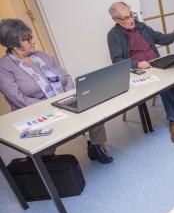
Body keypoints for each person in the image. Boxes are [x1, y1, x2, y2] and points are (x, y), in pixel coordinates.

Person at [0, 19, 113, 164]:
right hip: (34, 110)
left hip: (61, 100)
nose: (33, 42)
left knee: (92, 110)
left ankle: (96, 147)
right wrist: (51, 105)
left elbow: (65, 76)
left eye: (31, 37)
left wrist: (66, 96)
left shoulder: (41, 55)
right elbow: (17, 98)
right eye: (27, 40)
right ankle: (44, 160)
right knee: (47, 147)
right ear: (14, 45)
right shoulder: (4, 67)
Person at [107, 1, 174, 143]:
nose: (131, 20)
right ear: (116, 20)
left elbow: (160, 38)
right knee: (165, 83)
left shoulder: (140, 26)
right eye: (126, 18)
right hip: (138, 72)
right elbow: (117, 61)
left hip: (156, 64)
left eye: (131, 15)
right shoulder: (113, 35)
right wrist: (137, 64)